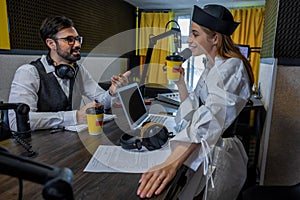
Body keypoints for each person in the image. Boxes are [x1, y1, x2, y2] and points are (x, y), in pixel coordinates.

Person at [137, 4, 254, 200]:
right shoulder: (210, 66)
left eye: (195, 34)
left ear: (214, 38)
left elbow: (210, 119)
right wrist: (180, 82)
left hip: (218, 155)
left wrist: (171, 163)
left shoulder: (231, 67)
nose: (189, 40)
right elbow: (194, 115)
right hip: (203, 148)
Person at [8, 16, 130, 131]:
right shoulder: (28, 72)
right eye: (69, 40)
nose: (77, 44)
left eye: (77, 39)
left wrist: (112, 92)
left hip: (69, 142)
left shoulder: (78, 70)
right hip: (39, 146)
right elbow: (17, 122)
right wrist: (75, 117)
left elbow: (102, 101)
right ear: (51, 43)